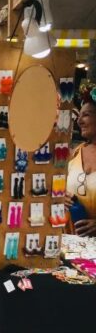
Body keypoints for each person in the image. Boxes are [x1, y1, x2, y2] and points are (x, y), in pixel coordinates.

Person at [65, 101, 96, 235]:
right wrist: (59, 197)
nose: (79, 121)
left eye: (86, 115)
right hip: (69, 241)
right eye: (79, 116)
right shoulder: (75, 153)